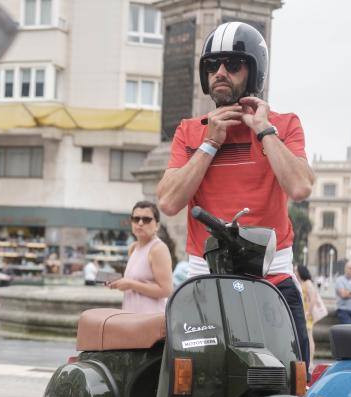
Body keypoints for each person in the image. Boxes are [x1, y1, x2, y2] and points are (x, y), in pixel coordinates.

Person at [156, 21, 315, 370]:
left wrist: (264, 130)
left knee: (291, 385)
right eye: (212, 66)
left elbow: (300, 187)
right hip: (205, 284)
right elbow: (167, 202)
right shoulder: (189, 131)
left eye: (233, 64)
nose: (221, 73)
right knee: (197, 390)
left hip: (271, 281)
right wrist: (210, 143)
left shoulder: (284, 124)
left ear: (254, 69)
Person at [107, 201, 172, 312]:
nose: (140, 223)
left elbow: (166, 290)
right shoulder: (133, 248)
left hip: (150, 320)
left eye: (146, 219)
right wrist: (119, 282)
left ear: (157, 225)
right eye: (136, 219)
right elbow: (136, 280)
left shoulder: (158, 249)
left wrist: (131, 284)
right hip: (131, 318)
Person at [296, 264, 323, 355]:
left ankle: (310, 361)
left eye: (296, 271)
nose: (295, 273)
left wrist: (308, 313)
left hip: (307, 314)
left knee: (309, 336)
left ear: (300, 272)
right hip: (306, 313)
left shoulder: (307, 283)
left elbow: (313, 299)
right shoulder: (304, 283)